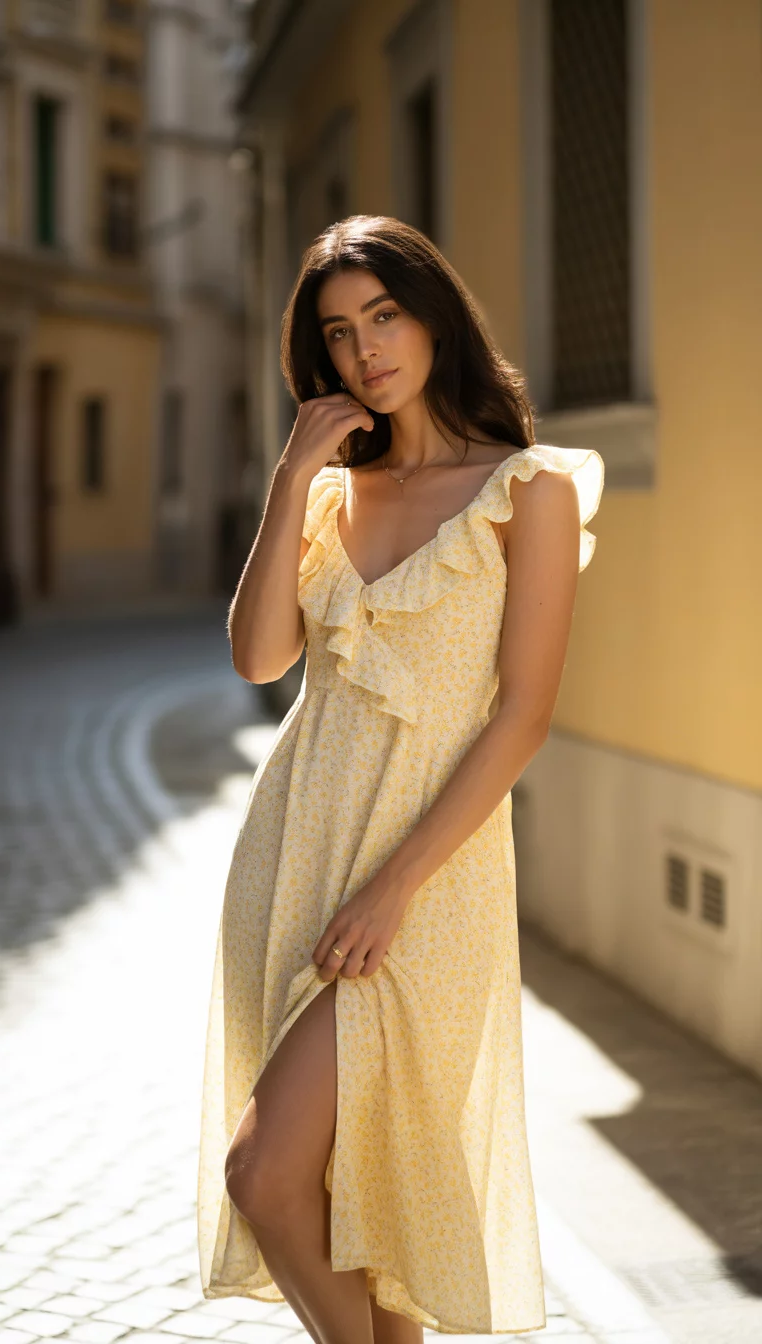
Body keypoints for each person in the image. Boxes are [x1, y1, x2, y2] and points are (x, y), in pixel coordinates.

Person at [197, 214, 604, 1343]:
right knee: (352, 1217)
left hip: (428, 879)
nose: (367, 348)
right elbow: (259, 658)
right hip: (296, 852)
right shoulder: (328, 497)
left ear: (434, 317)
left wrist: (393, 890)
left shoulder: (530, 491)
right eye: (338, 333)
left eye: (385, 314)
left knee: (265, 1170)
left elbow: (522, 717)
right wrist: (291, 477)